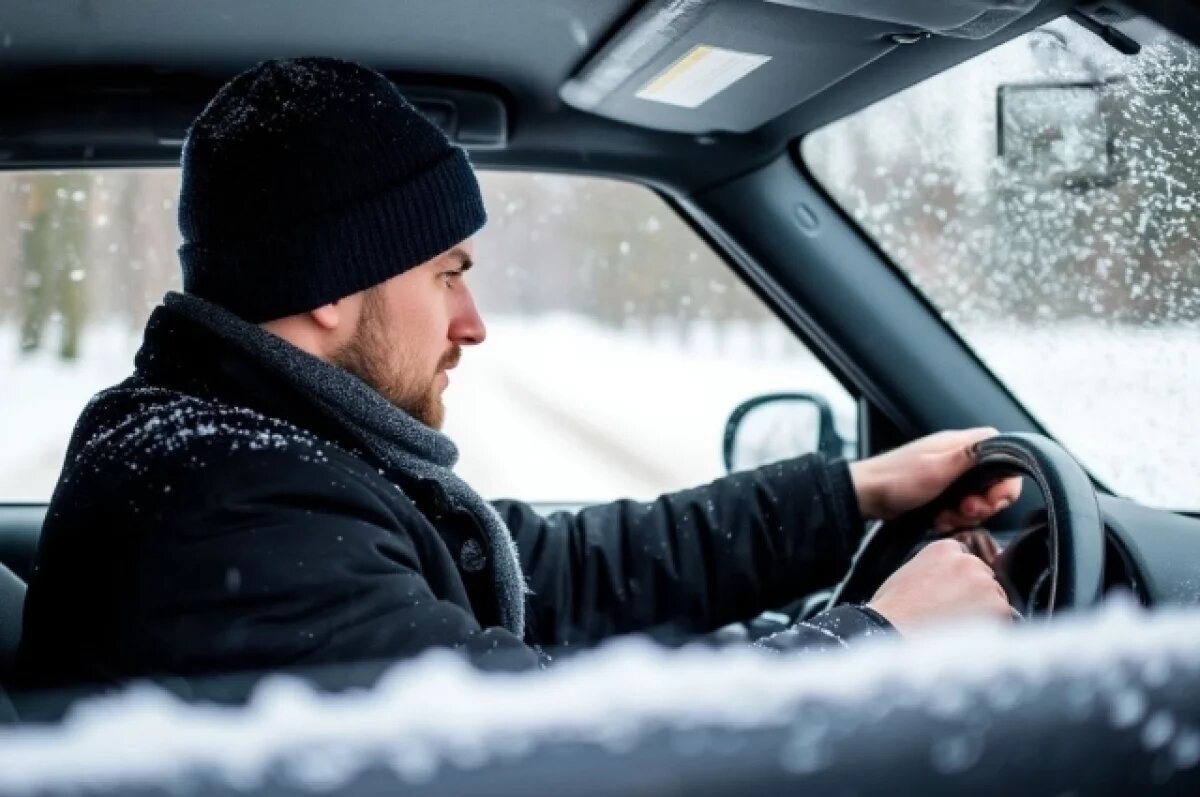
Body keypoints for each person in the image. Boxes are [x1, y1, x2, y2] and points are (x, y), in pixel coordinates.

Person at [17, 58, 1018, 689]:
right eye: (447, 274)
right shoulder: (231, 512)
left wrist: (856, 492)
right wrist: (874, 641)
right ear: (332, 284)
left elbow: (564, 570)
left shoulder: (264, 452)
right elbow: (543, 749)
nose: (473, 322)